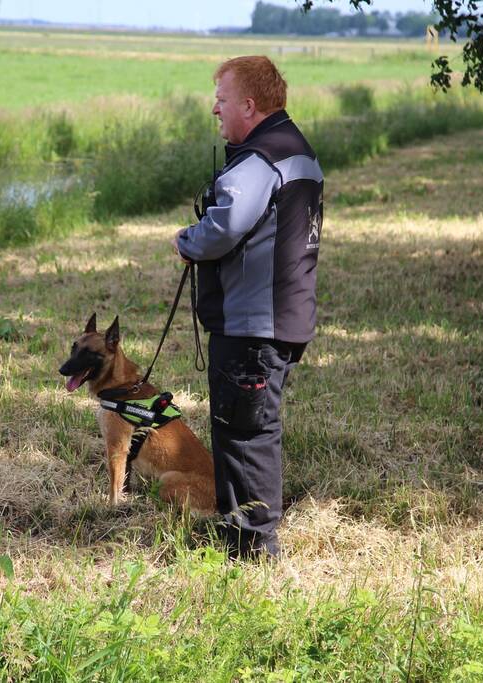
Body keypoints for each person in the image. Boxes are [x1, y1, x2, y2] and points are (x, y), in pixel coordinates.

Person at [173, 55, 323, 559]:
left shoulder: (259, 160)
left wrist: (188, 240)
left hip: (252, 323)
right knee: (253, 427)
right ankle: (244, 533)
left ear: (249, 104)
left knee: (244, 435)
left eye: (221, 99)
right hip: (282, 316)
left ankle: (252, 547)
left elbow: (227, 226)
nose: (215, 109)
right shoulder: (296, 149)